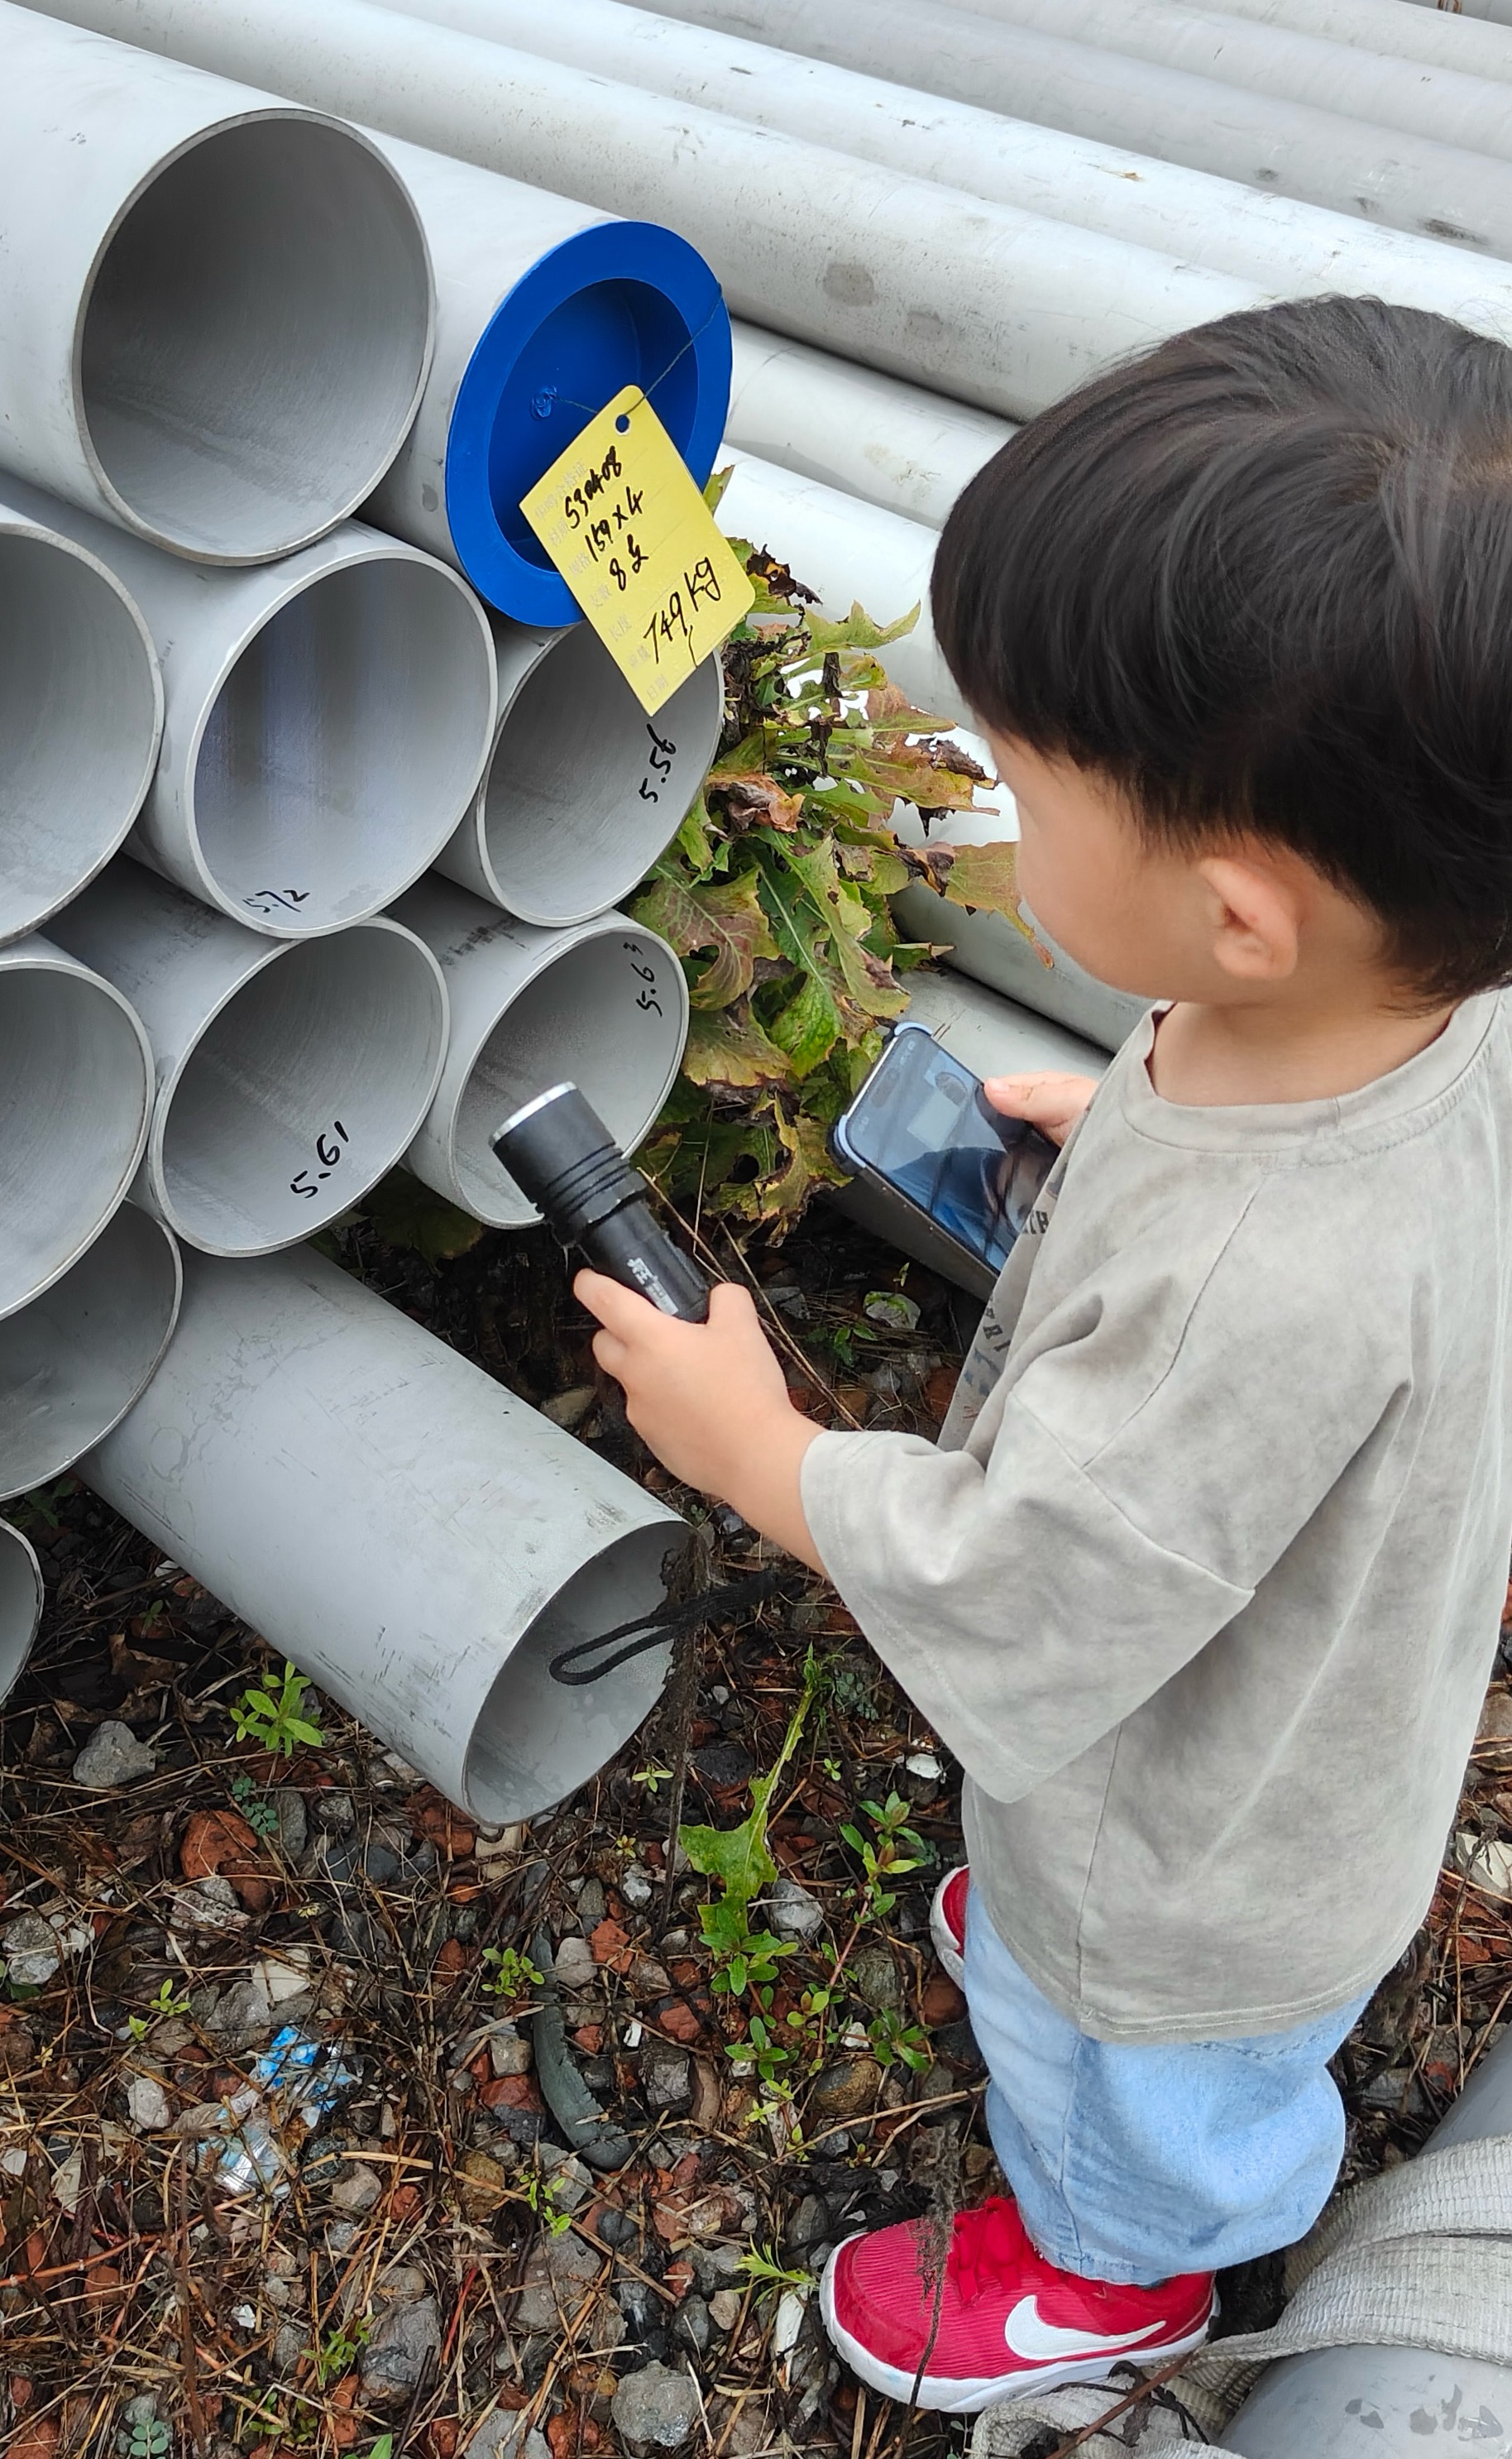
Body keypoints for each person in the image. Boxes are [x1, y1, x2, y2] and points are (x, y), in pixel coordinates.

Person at [577, 297, 1512, 2414]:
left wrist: (759, 1452)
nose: (995, 808)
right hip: (1326, 1735)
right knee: (1163, 2009)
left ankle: (1117, 2275)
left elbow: (1022, 1583)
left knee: (1126, 2078)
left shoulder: (1251, 1293)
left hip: (1185, 1861)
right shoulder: (1425, 1006)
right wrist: (1138, 1141)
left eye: (1021, 784)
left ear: (1241, 916)